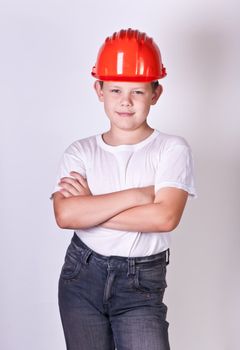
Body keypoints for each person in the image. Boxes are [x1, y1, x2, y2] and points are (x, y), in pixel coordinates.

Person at [52, 28, 196, 350]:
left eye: (138, 92)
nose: (125, 102)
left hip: (140, 285)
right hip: (81, 277)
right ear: (99, 90)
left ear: (156, 93)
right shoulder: (81, 151)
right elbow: (65, 214)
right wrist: (137, 196)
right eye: (115, 90)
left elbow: (165, 217)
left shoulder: (171, 149)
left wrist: (90, 207)